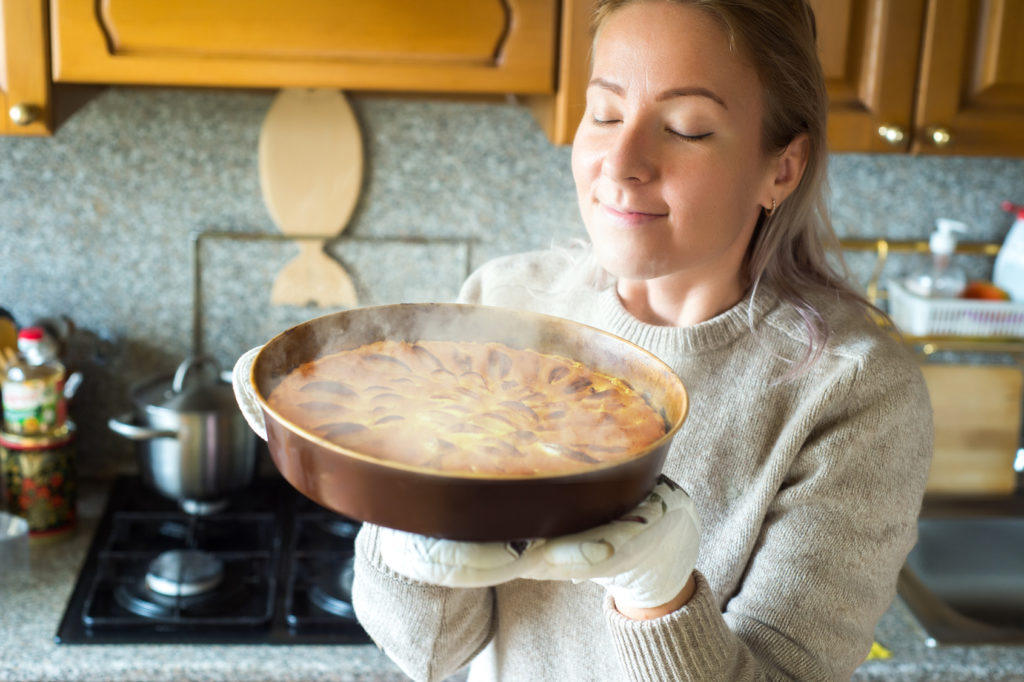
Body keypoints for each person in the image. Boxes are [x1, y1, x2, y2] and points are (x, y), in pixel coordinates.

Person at [235, 1, 933, 679]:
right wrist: (405, 526)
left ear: (781, 167)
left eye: (687, 127)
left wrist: (658, 595)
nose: (622, 161)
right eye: (604, 113)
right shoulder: (505, 306)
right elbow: (429, 653)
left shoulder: (852, 391)